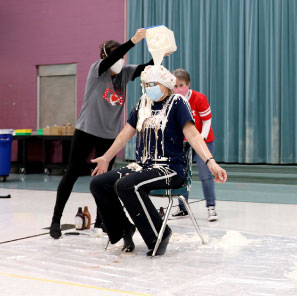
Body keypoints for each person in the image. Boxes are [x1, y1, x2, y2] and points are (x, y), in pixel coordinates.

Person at [88, 65, 227, 256]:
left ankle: (158, 235)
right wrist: (106, 157)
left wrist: (210, 161)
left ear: (165, 84)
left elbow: (194, 136)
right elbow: (124, 134)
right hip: (143, 165)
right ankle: (123, 229)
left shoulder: (177, 103)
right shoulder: (143, 103)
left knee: (127, 185)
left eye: (153, 83)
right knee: (99, 183)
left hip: (170, 169)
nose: (149, 87)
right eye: (146, 84)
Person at [49, 29, 152, 239]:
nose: (120, 61)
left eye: (122, 58)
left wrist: (158, 55)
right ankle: (55, 220)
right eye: (116, 57)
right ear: (105, 58)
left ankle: (101, 221)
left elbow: (146, 69)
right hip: (86, 130)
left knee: (103, 180)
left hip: (109, 135)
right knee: (72, 173)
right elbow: (113, 57)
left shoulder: (125, 73)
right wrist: (133, 40)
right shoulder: (97, 69)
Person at [171, 68, 218, 221]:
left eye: (181, 85)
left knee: (205, 174)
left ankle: (211, 206)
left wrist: (201, 139)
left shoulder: (199, 98)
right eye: (175, 86)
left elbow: (206, 121)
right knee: (181, 174)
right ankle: (182, 207)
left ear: (188, 85)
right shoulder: (172, 100)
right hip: (183, 142)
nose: (178, 89)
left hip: (203, 139)